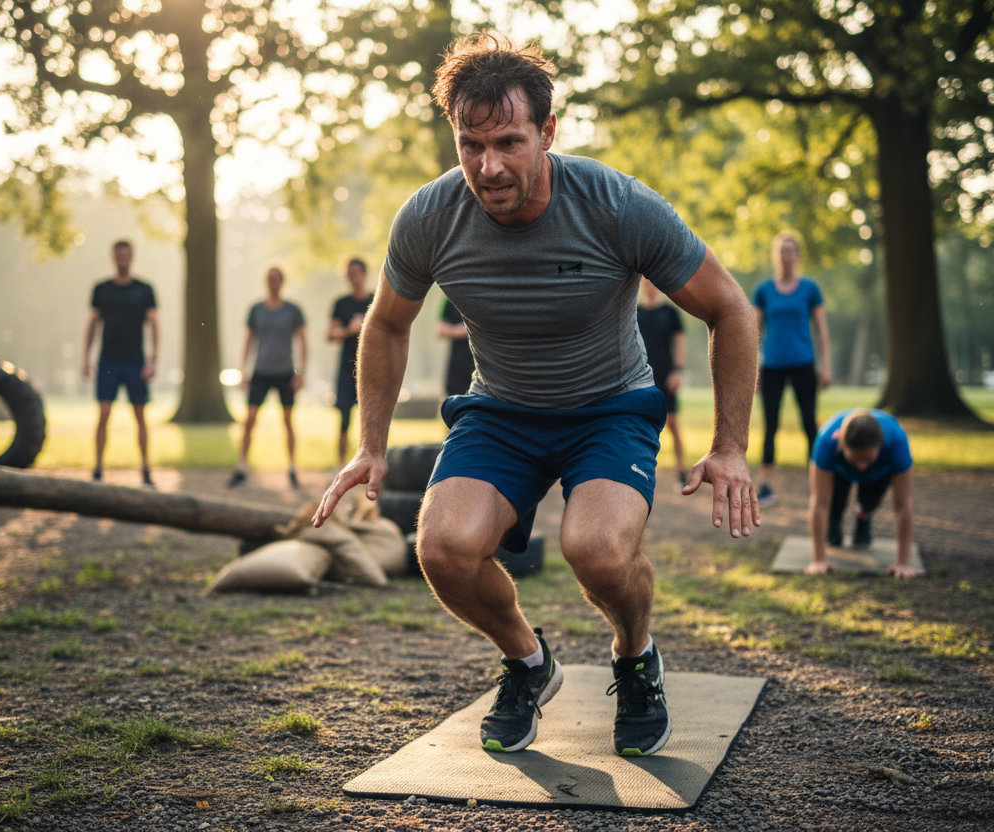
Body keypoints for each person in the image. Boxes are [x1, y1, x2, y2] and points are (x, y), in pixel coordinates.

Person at [312, 34, 760, 758]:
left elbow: (730, 309)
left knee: (598, 554)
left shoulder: (616, 205)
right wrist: (371, 444)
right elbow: (388, 325)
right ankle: (528, 662)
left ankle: (636, 656)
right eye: (470, 144)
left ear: (549, 131)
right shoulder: (429, 217)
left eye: (510, 142)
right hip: (502, 410)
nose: (488, 166)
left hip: (609, 406)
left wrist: (730, 446)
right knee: (442, 549)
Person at [751, 231, 831, 506]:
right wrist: (754, 370)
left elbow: (821, 330)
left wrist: (826, 366)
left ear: (797, 256)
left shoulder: (810, 289)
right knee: (770, 425)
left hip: (803, 364)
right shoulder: (764, 291)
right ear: (777, 256)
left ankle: (819, 484)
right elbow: (754, 332)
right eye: (782, 251)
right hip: (772, 365)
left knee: (809, 424)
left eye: (791, 251)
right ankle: (766, 485)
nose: (786, 256)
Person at [82, 240, 159, 487]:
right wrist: (86, 357)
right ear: (113, 258)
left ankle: (146, 467)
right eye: (118, 255)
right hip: (108, 360)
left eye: (125, 255)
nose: (122, 259)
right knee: (104, 413)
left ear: (131, 257)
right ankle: (98, 467)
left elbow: (155, 325)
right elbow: (92, 324)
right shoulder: (102, 289)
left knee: (140, 414)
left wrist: (153, 359)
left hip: (135, 360)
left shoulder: (144, 289)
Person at [806, 408, 916, 579]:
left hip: (879, 473)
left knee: (868, 502)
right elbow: (820, 502)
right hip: (840, 472)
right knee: (834, 505)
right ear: (841, 443)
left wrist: (903, 563)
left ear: (881, 445)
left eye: (867, 459)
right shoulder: (827, 440)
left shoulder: (897, 441)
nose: (862, 466)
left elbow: (903, 506)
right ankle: (834, 525)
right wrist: (818, 560)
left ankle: (863, 515)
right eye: (856, 459)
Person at [229, 266, 307, 489]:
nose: (274, 282)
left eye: (277, 279)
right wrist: (243, 370)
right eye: (270, 279)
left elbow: (303, 341)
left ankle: (292, 468)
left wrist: (300, 372)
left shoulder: (293, 310)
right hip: (260, 372)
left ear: (282, 282)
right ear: (266, 282)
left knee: (288, 420)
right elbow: (248, 340)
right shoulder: (256, 310)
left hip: (285, 373)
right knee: (250, 420)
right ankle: (241, 467)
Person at [637, 278, 687, 486]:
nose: (649, 284)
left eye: (652, 280)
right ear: (640, 283)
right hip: (640, 375)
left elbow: (680, 342)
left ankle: (681, 469)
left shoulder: (670, 312)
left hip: (666, 375)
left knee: (673, 423)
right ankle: (639, 470)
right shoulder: (634, 311)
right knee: (640, 425)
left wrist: (677, 371)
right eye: (645, 280)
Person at [328, 258, 374, 467]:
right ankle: (340, 463)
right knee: (344, 419)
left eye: (356, 273)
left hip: (372, 368)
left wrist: (366, 327)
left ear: (364, 274)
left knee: (372, 419)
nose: (353, 278)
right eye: (349, 274)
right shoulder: (341, 303)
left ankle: (370, 461)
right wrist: (349, 330)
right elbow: (330, 333)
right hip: (347, 368)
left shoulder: (376, 299)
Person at [437, 299, 475, 396]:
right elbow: (440, 329)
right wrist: (467, 330)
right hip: (458, 361)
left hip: (480, 359)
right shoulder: (450, 299)